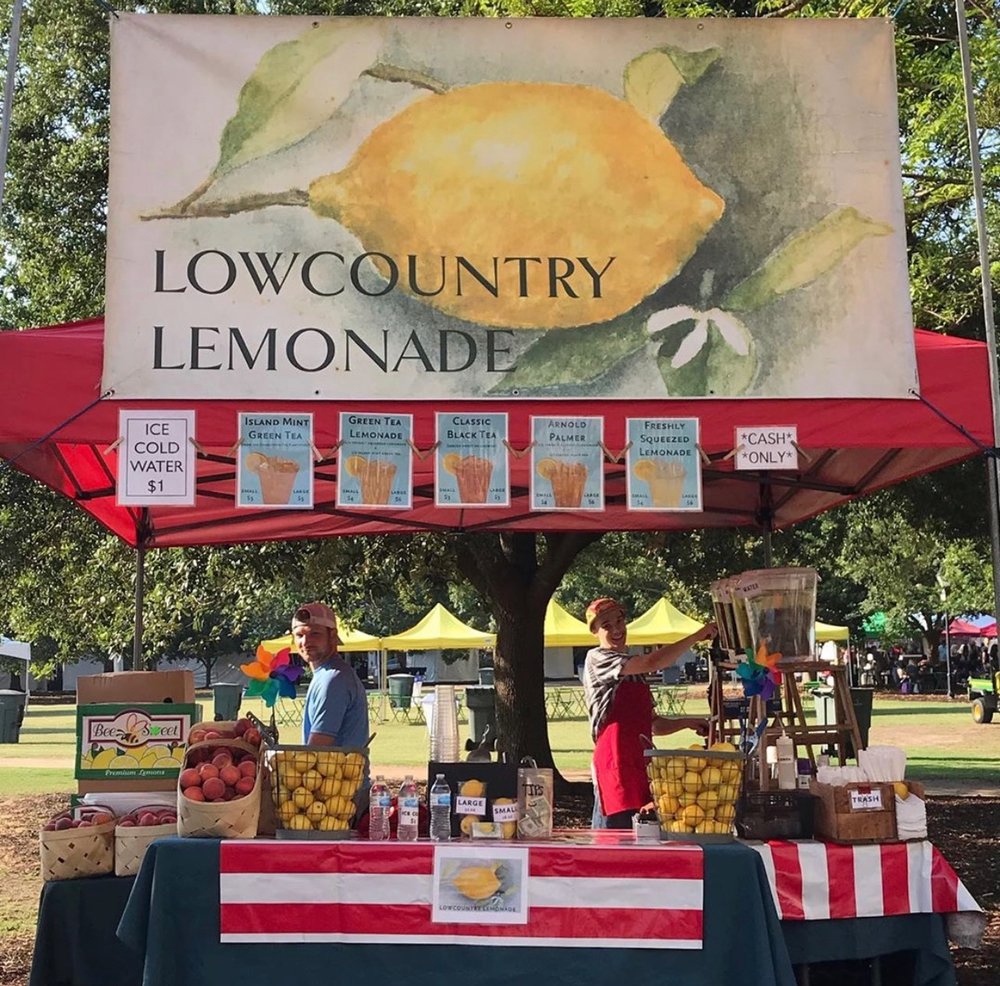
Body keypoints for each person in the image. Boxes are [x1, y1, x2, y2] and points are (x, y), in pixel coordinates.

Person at [582, 596, 717, 830]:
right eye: (606, 625)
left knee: (640, 840)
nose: (616, 629)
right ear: (595, 631)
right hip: (615, 765)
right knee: (611, 844)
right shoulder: (598, 658)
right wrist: (696, 637)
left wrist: (687, 722)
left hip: (641, 765)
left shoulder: (634, 669)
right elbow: (652, 661)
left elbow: (653, 724)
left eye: (619, 621)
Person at [292, 602, 370, 749]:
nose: (306, 642)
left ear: (333, 636)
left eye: (315, 633)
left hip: (337, 773)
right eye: (299, 635)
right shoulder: (325, 674)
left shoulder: (333, 679)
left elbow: (315, 752)